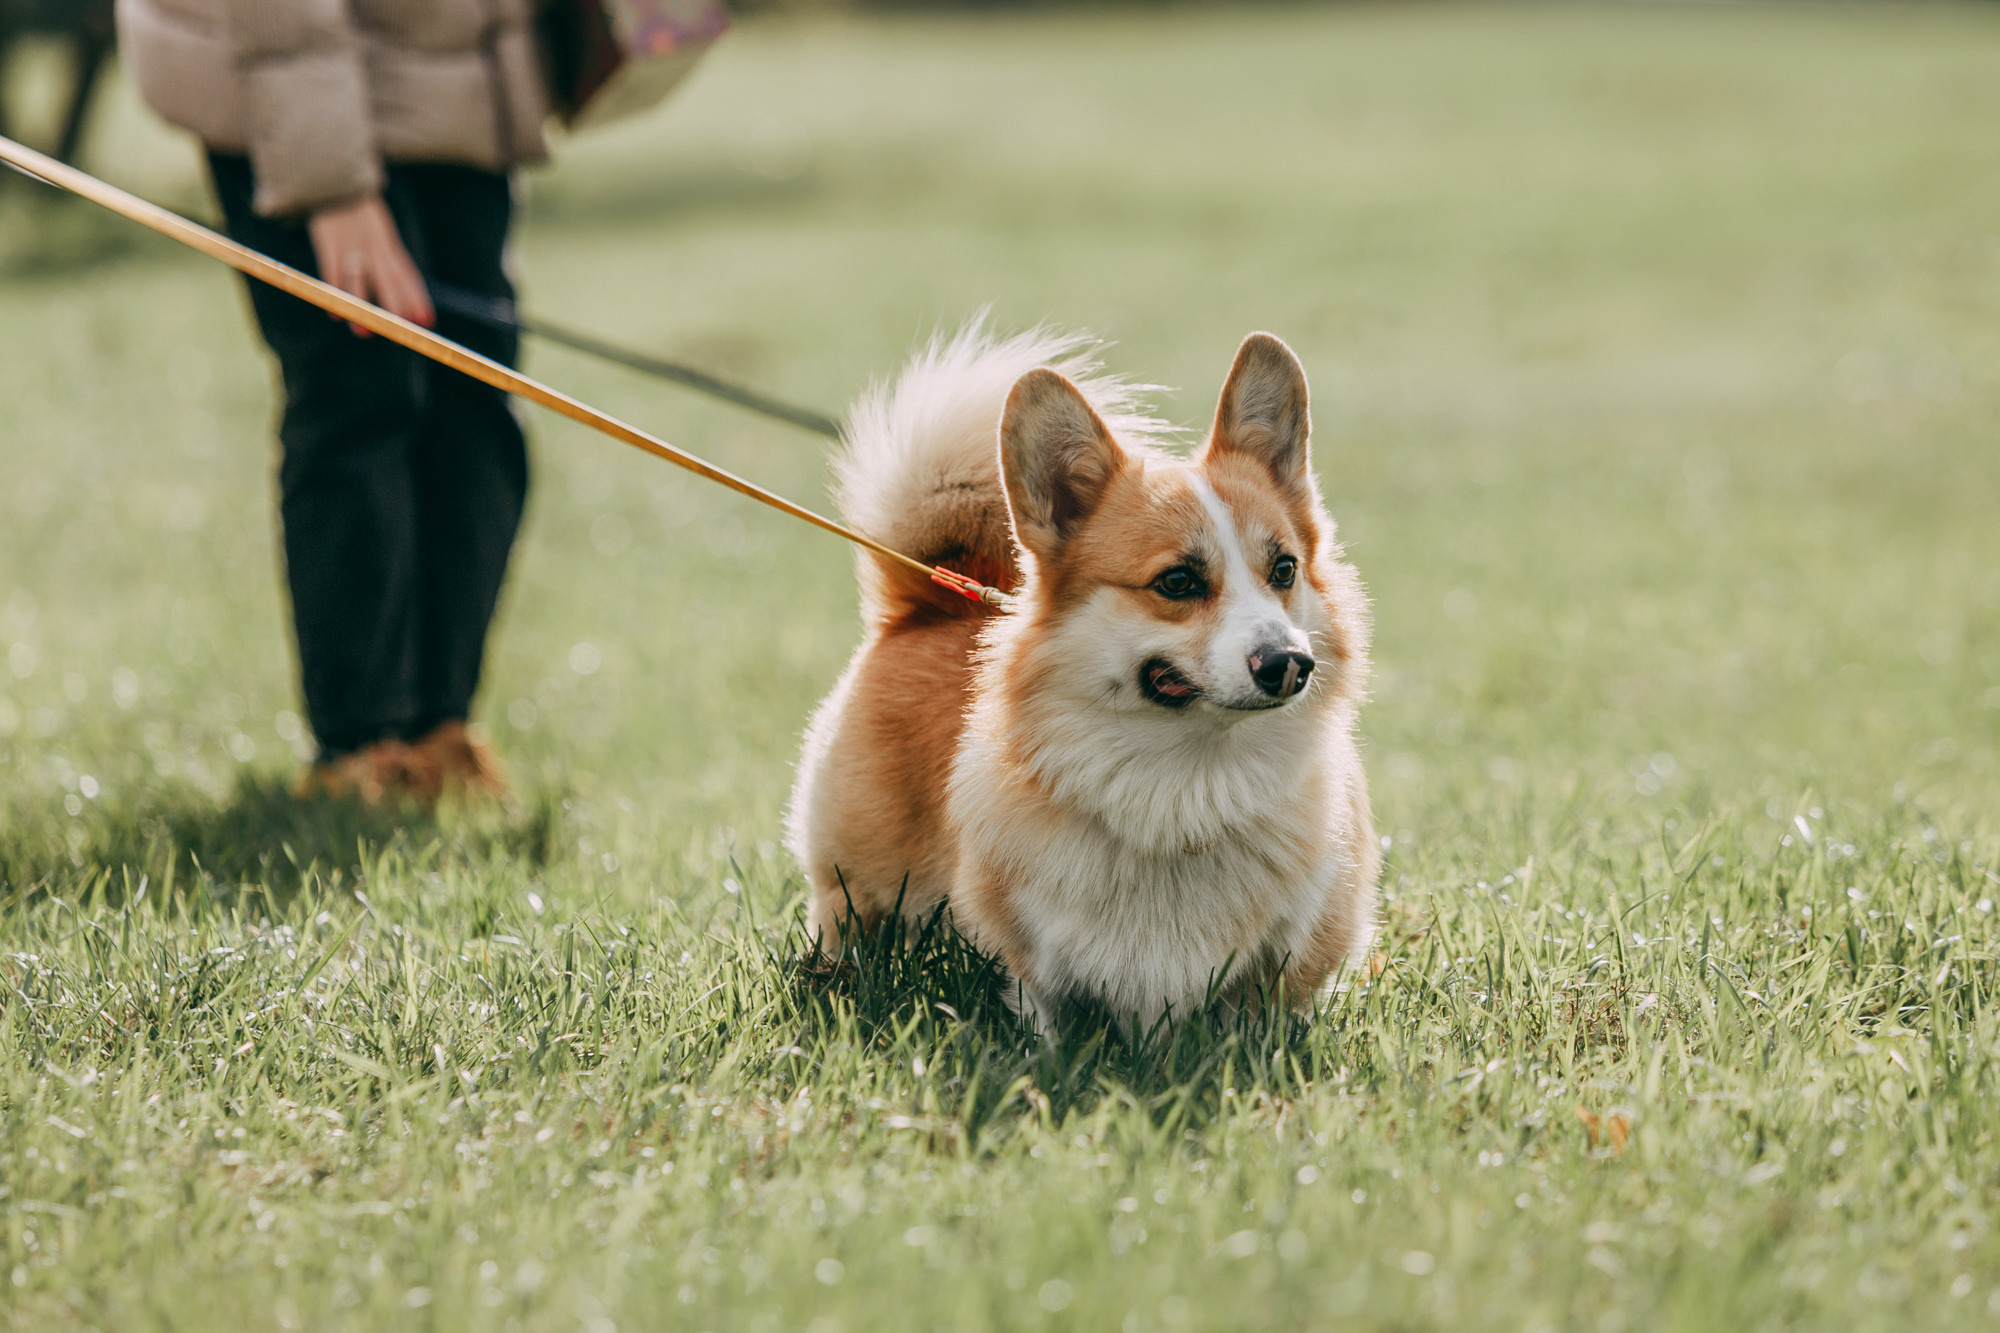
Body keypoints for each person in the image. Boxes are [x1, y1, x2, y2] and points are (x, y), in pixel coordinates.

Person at [115, 0, 548, 806]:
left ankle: (436, 728)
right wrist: (330, 179)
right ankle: (360, 744)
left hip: (452, 76)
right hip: (286, 71)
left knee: (478, 399)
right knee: (363, 388)